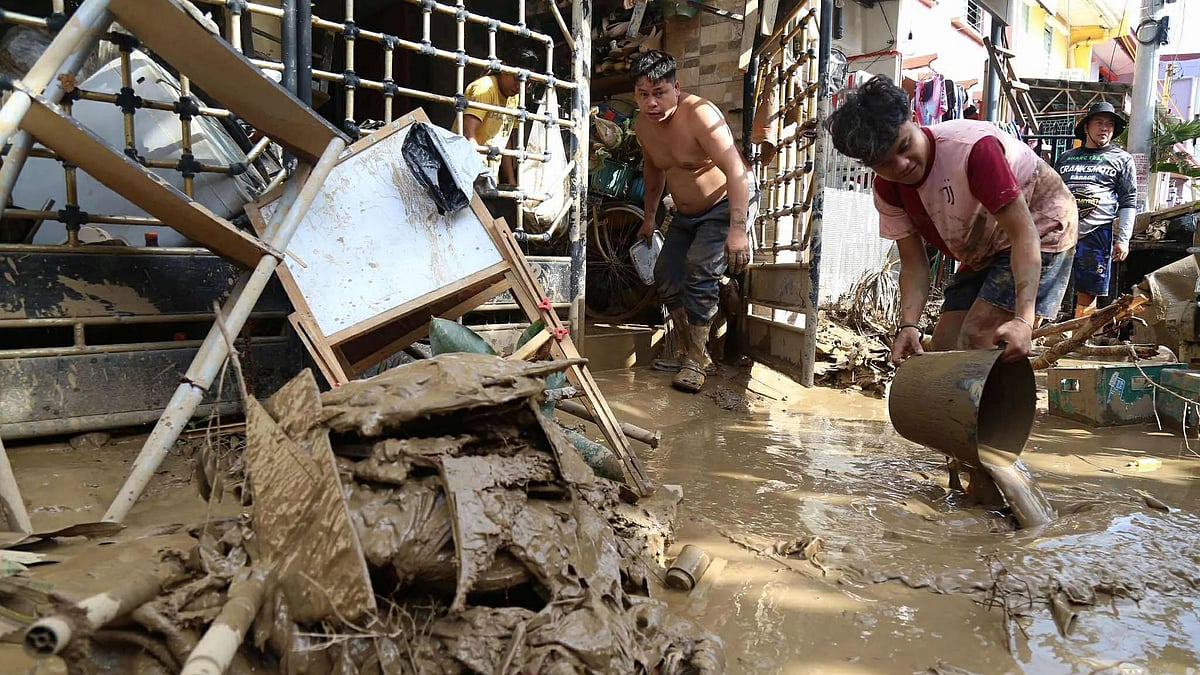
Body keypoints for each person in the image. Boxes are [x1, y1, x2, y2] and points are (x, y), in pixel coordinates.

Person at [826, 75, 1078, 365]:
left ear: (914, 119)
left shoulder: (973, 150)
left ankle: (998, 407)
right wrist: (909, 325)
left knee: (979, 336)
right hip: (985, 245)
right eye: (884, 163)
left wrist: (1023, 320)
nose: (902, 166)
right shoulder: (887, 190)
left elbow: (1023, 234)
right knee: (944, 347)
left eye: (904, 146)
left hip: (1042, 228)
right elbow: (914, 264)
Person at [632, 50, 756, 393]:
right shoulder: (643, 125)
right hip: (685, 213)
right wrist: (649, 218)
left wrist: (737, 228)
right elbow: (653, 170)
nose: (652, 103)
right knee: (666, 276)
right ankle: (691, 348)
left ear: (676, 87)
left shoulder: (700, 115)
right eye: (644, 95)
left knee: (700, 270)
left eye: (659, 93)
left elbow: (735, 170)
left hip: (722, 205)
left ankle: (696, 360)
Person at [1054, 102, 1137, 318]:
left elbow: (1128, 200)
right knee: (1047, 283)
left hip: (1097, 232)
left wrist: (1124, 239)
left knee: (1089, 290)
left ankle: (1080, 339)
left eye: (1109, 124)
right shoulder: (1065, 157)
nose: (1104, 128)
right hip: (1060, 230)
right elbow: (1050, 194)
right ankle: (1034, 337)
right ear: (1086, 127)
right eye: (1099, 122)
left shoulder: (1122, 159)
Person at [453, 45, 540, 186]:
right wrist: (480, 171)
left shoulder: (515, 97)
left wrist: (511, 181)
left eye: (527, 83)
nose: (520, 86)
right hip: (466, 172)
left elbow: (505, 139)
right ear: (504, 68)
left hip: (489, 176)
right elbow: (468, 133)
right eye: (517, 79)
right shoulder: (485, 88)